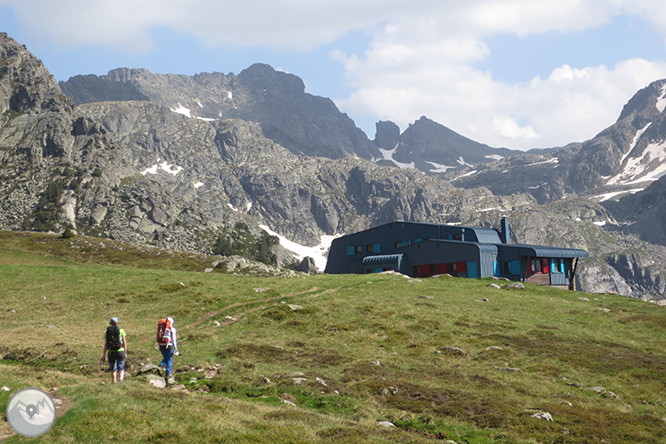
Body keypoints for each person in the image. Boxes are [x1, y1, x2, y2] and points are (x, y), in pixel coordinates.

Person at [101, 317, 127, 383]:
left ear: (110, 323)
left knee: (113, 368)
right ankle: (121, 379)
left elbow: (106, 344)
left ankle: (114, 381)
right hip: (120, 351)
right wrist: (125, 353)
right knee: (121, 367)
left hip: (111, 352)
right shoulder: (121, 331)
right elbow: (124, 343)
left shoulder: (108, 332)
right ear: (117, 323)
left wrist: (104, 355)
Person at [158, 317, 178, 385]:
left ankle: (162, 367)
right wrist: (175, 347)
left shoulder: (161, 328)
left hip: (161, 344)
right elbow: (174, 339)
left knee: (166, 358)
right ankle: (168, 374)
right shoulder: (172, 329)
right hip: (169, 344)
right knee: (169, 359)